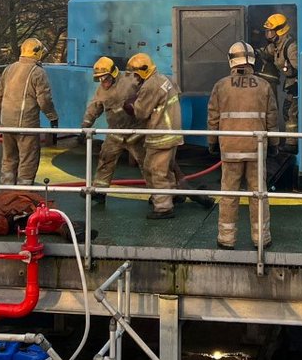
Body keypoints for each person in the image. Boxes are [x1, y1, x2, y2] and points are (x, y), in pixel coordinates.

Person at [208, 42, 277, 250]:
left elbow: (213, 117)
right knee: (259, 194)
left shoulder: (221, 85)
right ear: (252, 60)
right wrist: (274, 144)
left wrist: (212, 143)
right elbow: (272, 119)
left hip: (230, 150)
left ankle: (226, 239)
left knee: (229, 194)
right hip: (257, 150)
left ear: (231, 60)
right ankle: (261, 238)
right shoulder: (264, 86)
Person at [127, 53, 213, 219]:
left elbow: (141, 112)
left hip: (160, 135)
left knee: (155, 170)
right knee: (164, 168)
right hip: (172, 133)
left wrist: (132, 105)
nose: (134, 78)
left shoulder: (149, 86)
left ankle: (163, 207)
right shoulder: (165, 79)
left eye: (136, 74)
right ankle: (172, 194)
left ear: (143, 72)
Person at [0, 38, 59, 187]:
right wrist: (53, 117)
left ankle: (6, 193)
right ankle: (23, 194)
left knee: (8, 159)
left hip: (6, 124)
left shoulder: (9, 69)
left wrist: (4, 112)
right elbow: (44, 100)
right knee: (28, 160)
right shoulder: (37, 72)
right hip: (26, 125)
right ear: (37, 53)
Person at [80, 56, 143, 205]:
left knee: (147, 164)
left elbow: (147, 95)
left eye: (105, 78)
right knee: (105, 160)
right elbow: (95, 106)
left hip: (135, 131)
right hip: (115, 132)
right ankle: (100, 192)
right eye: (99, 79)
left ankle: (158, 194)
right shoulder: (102, 90)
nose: (103, 82)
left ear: (113, 74)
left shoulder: (131, 81)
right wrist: (85, 125)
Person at [258, 13, 298, 154]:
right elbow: (264, 53)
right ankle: (291, 142)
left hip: (296, 83)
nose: (268, 34)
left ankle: (292, 144)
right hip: (289, 83)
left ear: (280, 30)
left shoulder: (290, 47)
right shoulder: (276, 45)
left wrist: (297, 85)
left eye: (271, 31)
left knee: (289, 112)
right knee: (288, 112)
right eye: (267, 31)